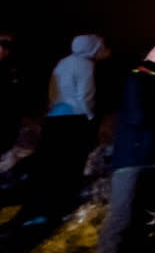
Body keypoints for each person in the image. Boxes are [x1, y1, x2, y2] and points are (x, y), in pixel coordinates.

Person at [16, 34, 109, 228]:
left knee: (45, 167)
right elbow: (86, 94)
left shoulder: (63, 62)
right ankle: (55, 211)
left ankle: (31, 210)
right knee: (67, 167)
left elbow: (53, 91)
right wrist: (89, 116)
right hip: (74, 121)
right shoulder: (85, 64)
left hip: (54, 118)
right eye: (100, 46)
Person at [98, 44, 155, 253]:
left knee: (144, 217)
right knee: (121, 215)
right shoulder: (137, 78)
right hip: (133, 156)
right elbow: (136, 117)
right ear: (146, 52)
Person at [0, 34, 23, 157]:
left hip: (8, 116)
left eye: (6, 46)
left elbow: (16, 93)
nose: (2, 49)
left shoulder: (12, 68)